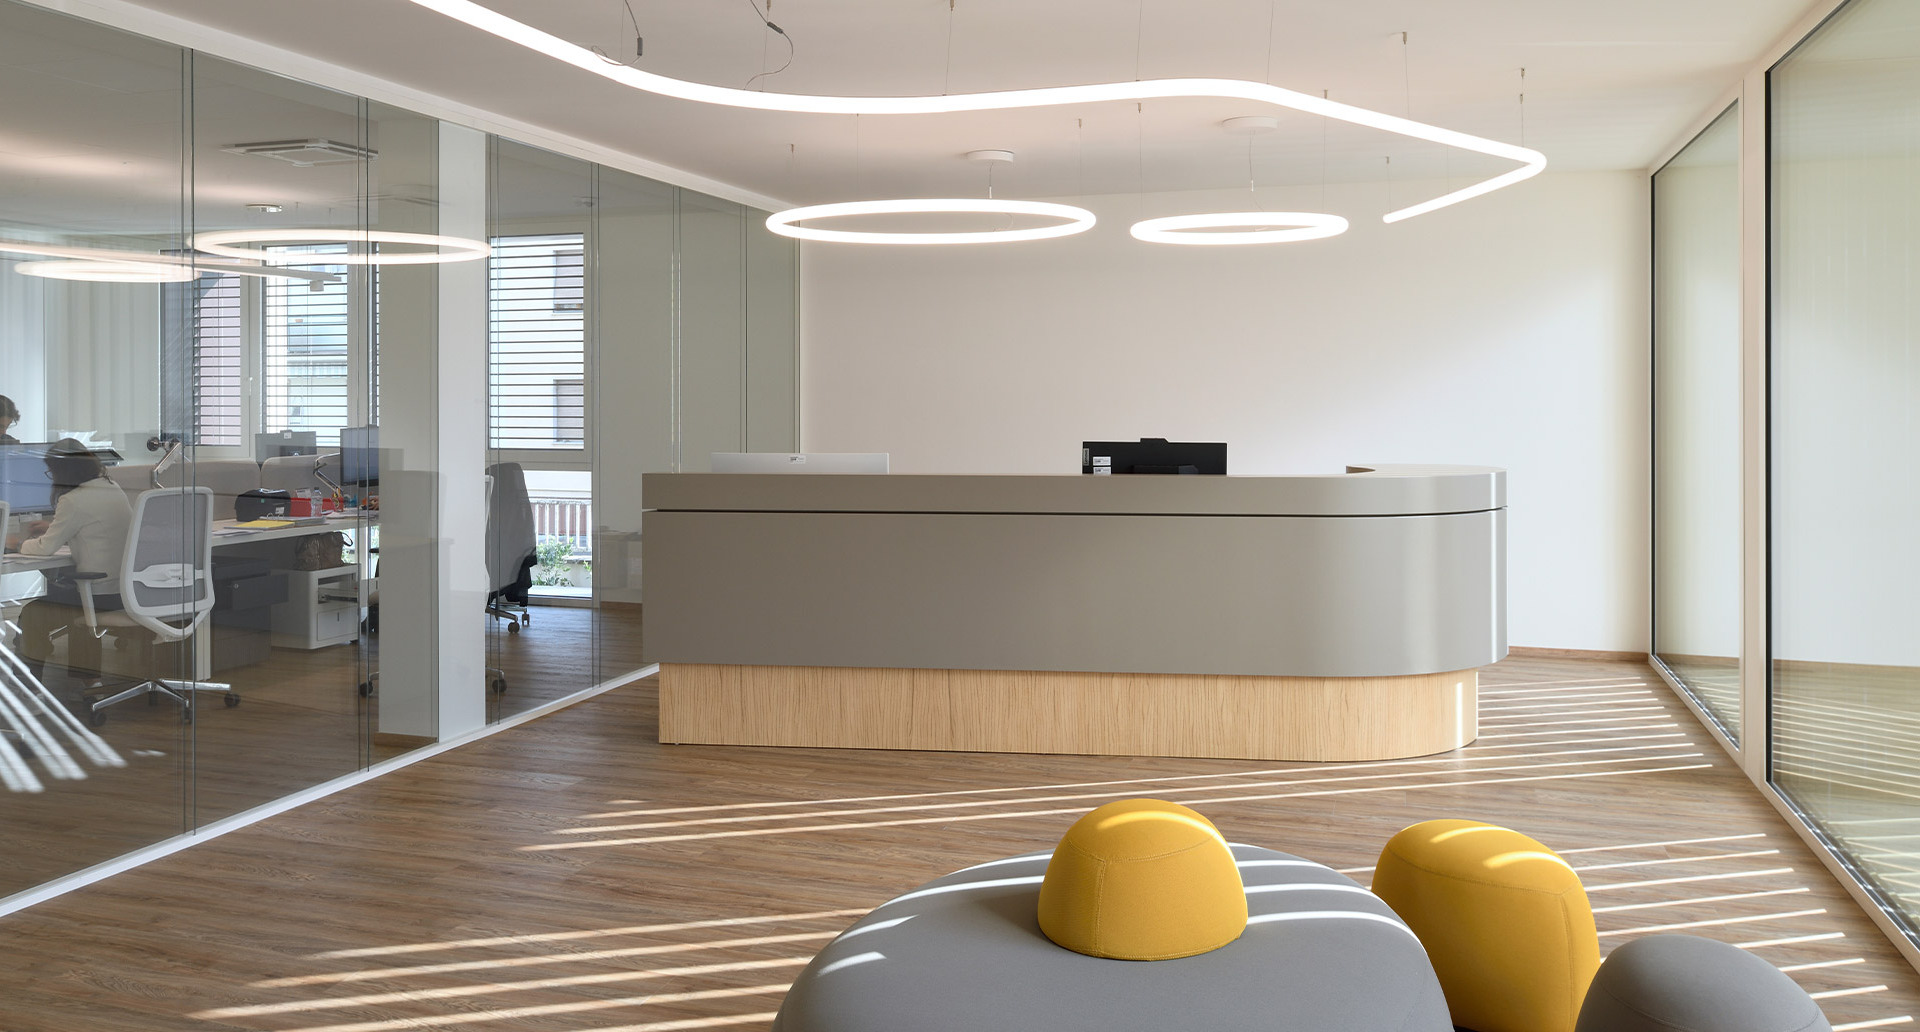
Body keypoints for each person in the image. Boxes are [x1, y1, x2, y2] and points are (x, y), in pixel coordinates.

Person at [6, 439, 131, 684]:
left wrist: (15, 544)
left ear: (63, 471)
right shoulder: (111, 487)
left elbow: (44, 548)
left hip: (98, 593)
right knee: (64, 601)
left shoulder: (73, 500)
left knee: (32, 614)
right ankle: (85, 681)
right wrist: (54, 527)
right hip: (124, 592)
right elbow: (91, 526)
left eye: (51, 471)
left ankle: (28, 688)